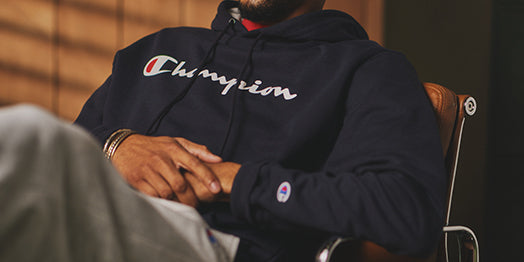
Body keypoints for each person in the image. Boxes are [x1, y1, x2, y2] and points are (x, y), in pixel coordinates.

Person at [67, 0, 445, 260]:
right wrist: (116, 147)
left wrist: (234, 181)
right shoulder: (158, 47)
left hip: (220, 248)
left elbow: (405, 212)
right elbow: (61, 154)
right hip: (90, 223)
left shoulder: (368, 71)